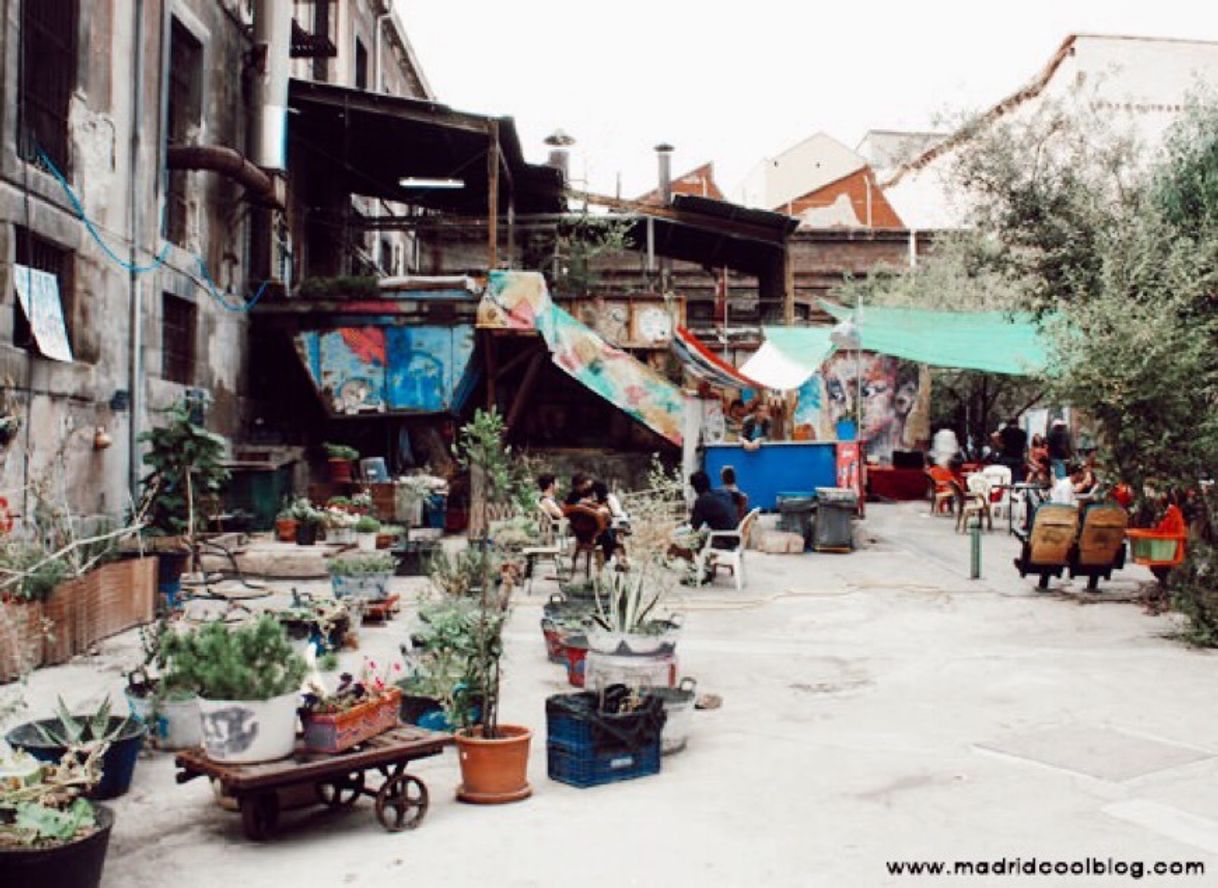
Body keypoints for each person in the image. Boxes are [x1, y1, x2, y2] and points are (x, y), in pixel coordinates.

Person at [689, 470, 738, 536]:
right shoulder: (722, 493)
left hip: (724, 539)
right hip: (735, 533)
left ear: (695, 487)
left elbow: (695, 527)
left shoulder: (701, 501)